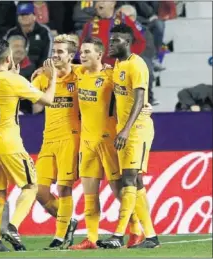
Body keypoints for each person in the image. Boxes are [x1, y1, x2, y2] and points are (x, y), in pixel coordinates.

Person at [0, 39, 57, 252]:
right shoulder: (13, 81)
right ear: (9, 59)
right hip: (9, 143)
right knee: (30, 186)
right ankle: (13, 227)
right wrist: (53, 78)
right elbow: (47, 100)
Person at [69, 37, 145, 250]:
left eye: (87, 52)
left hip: (110, 142)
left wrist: (146, 106)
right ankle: (91, 239)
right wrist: (43, 70)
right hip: (87, 143)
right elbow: (61, 66)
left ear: (99, 55)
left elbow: (132, 92)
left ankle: (136, 231)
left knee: (119, 192)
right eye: (81, 52)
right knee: (90, 195)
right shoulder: (79, 73)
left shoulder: (112, 76)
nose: (82, 55)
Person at [97, 23, 160, 249]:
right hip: (124, 130)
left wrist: (125, 130)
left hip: (137, 130)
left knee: (129, 179)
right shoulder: (117, 65)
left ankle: (118, 234)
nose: (111, 44)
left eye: (116, 41)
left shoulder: (137, 65)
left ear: (128, 43)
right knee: (137, 182)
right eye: (110, 40)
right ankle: (151, 237)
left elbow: (140, 99)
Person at [31, 34, 80, 250]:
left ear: (71, 56)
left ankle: (59, 238)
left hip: (71, 139)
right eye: (54, 51)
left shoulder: (81, 75)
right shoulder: (42, 77)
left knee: (64, 188)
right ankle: (68, 222)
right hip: (48, 139)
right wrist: (46, 77)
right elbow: (35, 105)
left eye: (60, 52)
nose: (56, 55)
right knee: (39, 191)